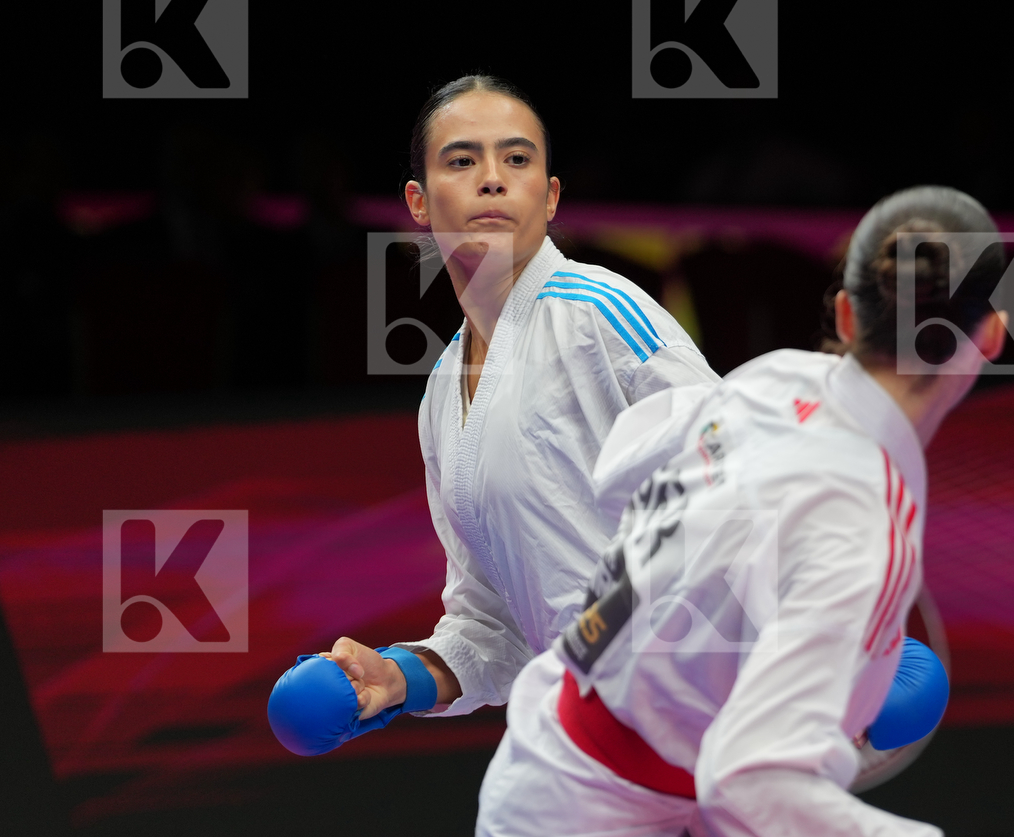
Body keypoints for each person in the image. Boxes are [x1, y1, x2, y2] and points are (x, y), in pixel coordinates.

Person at [472, 186, 1008, 837]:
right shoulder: (863, 526)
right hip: (603, 810)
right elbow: (750, 780)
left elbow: (616, 477)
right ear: (991, 335)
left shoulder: (770, 379)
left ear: (844, 316)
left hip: (555, 761)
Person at [299, 75, 719, 725]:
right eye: (462, 160)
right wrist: (396, 676)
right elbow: (493, 631)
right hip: (582, 730)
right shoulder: (442, 392)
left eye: (517, 160)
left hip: (702, 712)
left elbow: (745, 478)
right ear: (417, 201)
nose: (492, 179)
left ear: (550, 197)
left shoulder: (603, 316)